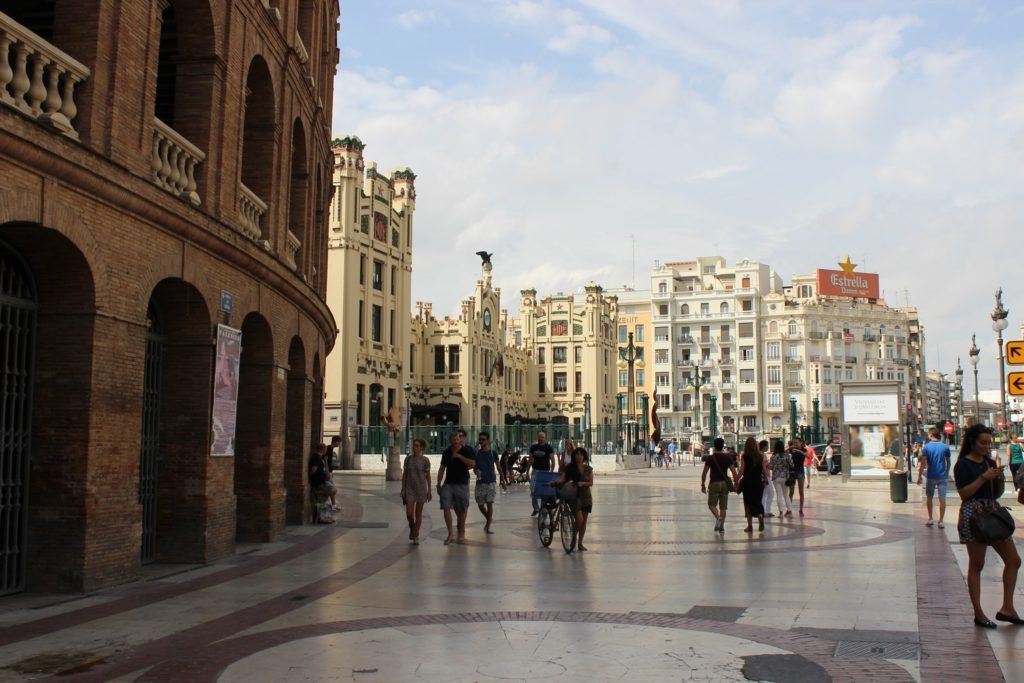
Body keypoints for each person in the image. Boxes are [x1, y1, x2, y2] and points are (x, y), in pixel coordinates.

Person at [954, 424, 1022, 629]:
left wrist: (999, 480)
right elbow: (965, 494)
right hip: (973, 515)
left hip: (992, 513)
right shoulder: (963, 465)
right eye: (982, 442)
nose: (986, 446)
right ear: (972, 442)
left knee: (1014, 560)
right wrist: (984, 477)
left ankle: (1007, 607)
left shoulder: (989, 462)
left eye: (988, 442)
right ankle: (979, 613)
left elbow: (995, 493)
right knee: (977, 564)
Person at [437, 429, 476, 545]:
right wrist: (438, 484)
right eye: (453, 439)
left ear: (460, 440)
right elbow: (442, 468)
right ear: (450, 441)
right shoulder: (446, 452)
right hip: (448, 483)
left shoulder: (466, 450)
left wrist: (459, 457)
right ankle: (450, 534)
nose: (456, 441)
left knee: (462, 509)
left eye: (458, 439)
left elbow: (472, 463)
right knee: (446, 507)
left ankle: (462, 531)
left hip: (462, 483)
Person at [553, 447, 595, 551]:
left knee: (584, 521)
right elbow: (563, 478)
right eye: (577, 454)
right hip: (574, 496)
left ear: (584, 456)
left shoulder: (588, 469)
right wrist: (557, 482)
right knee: (579, 520)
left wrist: (583, 483)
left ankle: (580, 543)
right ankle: (573, 538)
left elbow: (591, 483)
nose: (578, 456)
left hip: (586, 497)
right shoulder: (570, 468)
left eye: (581, 454)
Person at [701, 437, 738, 533]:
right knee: (723, 507)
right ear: (723, 446)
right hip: (725, 484)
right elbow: (734, 472)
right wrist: (736, 483)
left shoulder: (711, 458)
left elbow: (704, 473)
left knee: (711, 505)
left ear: (714, 446)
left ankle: (718, 518)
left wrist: (703, 485)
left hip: (714, 483)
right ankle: (721, 527)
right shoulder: (727, 457)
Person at [917, 427, 951, 528]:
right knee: (942, 499)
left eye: (928, 434)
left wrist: (919, 476)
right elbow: (948, 462)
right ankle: (941, 521)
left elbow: (923, 463)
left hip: (931, 476)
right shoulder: (945, 447)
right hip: (942, 476)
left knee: (929, 497)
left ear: (931, 435)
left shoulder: (926, 447)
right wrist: (946, 473)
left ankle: (931, 518)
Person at [473, 431, 506, 534]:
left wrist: (503, 479)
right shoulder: (477, 453)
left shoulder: (493, 453)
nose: (481, 441)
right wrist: (476, 471)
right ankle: (489, 518)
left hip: (491, 481)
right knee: (480, 504)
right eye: (480, 439)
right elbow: (474, 466)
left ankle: (487, 525)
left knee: (489, 503)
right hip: (480, 482)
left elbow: (499, 467)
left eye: (483, 439)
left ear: (488, 440)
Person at [400, 438, 431, 544]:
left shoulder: (425, 460)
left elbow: (428, 476)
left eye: (417, 446)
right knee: (409, 514)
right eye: (414, 445)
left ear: (421, 448)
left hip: (421, 488)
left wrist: (429, 491)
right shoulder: (408, 459)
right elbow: (405, 474)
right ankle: (412, 527)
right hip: (410, 488)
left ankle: (416, 534)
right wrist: (403, 488)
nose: (414, 447)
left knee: (418, 513)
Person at [737, 437, 768, 533]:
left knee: (748, 503)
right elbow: (763, 470)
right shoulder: (760, 456)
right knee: (758, 501)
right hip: (758, 483)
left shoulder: (744, 456)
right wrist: (766, 480)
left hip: (747, 483)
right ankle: (760, 516)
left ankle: (750, 526)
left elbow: (742, 470)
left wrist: (736, 480)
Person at [528, 431, 556, 516]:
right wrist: (527, 472)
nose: (541, 439)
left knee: (545, 492)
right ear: (538, 438)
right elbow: (530, 460)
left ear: (545, 438)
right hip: (535, 471)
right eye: (540, 437)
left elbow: (553, 460)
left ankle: (543, 508)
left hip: (545, 472)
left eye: (543, 437)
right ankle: (536, 508)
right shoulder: (533, 447)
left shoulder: (549, 448)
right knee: (533, 490)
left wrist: (551, 471)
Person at [307, 443, 336, 523]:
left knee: (326, 500)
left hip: (321, 482)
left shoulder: (320, 458)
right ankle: (322, 518)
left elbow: (325, 471)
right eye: (325, 449)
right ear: (323, 449)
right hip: (318, 483)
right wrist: (311, 477)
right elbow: (313, 469)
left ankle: (324, 517)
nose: (326, 451)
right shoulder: (316, 457)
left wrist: (325, 461)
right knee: (332, 490)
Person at [769, 440, 793, 517]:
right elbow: (792, 465)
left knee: (779, 495)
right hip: (785, 477)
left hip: (776, 477)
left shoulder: (773, 456)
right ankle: (789, 511)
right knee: (786, 495)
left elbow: (771, 467)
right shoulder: (787, 456)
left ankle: (781, 513)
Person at [788, 438, 806, 515]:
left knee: (801, 491)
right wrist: (790, 448)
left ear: (801, 442)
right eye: (794, 442)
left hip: (800, 472)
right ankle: (789, 509)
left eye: (797, 442)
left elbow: (808, 456)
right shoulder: (791, 450)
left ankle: (801, 509)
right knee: (791, 492)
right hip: (792, 472)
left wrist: (798, 450)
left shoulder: (803, 450)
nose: (795, 444)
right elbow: (783, 452)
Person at [758, 440, 774, 517]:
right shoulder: (761, 455)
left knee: (769, 493)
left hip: (766, 475)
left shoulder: (762, 454)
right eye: (767, 446)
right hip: (764, 476)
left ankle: (766, 510)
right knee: (767, 493)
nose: (768, 447)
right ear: (764, 446)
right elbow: (763, 466)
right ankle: (764, 511)